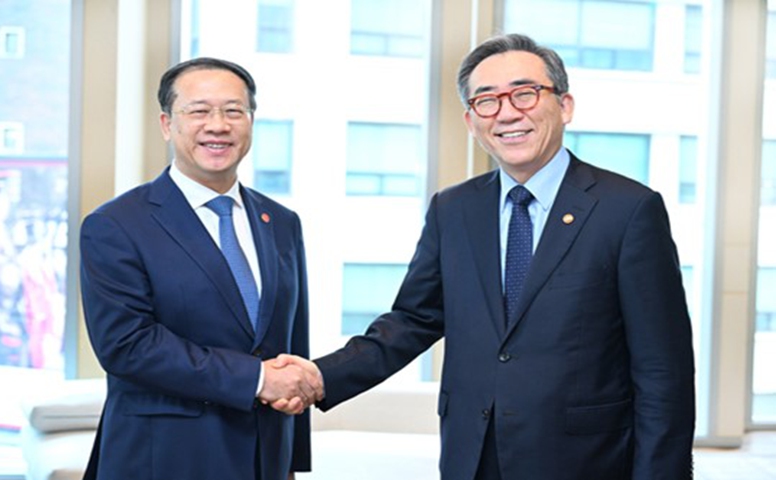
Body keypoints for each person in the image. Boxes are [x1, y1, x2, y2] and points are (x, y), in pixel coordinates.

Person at [275, 33, 696, 480]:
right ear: (471, 120)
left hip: (585, 460)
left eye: (525, 93)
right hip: (473, 456)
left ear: (565, 105)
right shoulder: (453, 209)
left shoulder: (627, 209)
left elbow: (662, 370)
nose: (508, 112)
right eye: (487, 101)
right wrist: (322, 376)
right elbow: (414, 320)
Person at [79, 57, 322, 480]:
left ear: (250, 121)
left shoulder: (282, 222)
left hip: (265, 458)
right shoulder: (116, 224)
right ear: (166, 123)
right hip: (163, 459)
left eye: (234, 111)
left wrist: (291, 461)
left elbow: (288, 343)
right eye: (199, 111)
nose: (218, 125)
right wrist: (257, 379)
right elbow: (127, 345)